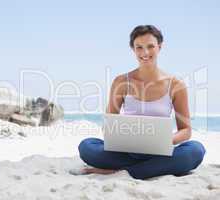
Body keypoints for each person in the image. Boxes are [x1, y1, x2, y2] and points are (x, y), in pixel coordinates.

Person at [75, 25, 206, 180]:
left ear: (160, 47)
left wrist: (166, 139)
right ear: (133, 49)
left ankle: (120, 172)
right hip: (127, 152)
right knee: (86, 146)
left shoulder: (176, 85)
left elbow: (186, 130)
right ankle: (148, 169)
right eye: (139, 47)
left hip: (160, 151)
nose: (145, 53)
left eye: (150, 46)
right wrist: (121, 135)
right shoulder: (121, 82)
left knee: (196, 150)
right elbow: (109, 124)